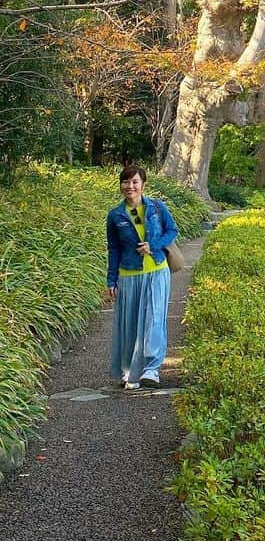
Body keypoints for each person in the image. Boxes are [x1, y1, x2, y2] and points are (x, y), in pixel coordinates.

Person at [105, 164, 178, 390]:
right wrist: (111, 279)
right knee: (129, 324)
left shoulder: (156, 207)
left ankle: (151, 369)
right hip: (128, 275)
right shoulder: (115, 215)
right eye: (126, 182)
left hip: (157, 271)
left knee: (154, 319)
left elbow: (172, 231)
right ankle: (129, 371)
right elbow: (114, 248)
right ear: (120, 185)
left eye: (135, 182)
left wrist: (153, 246)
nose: (130, 186)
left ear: (143, 184)